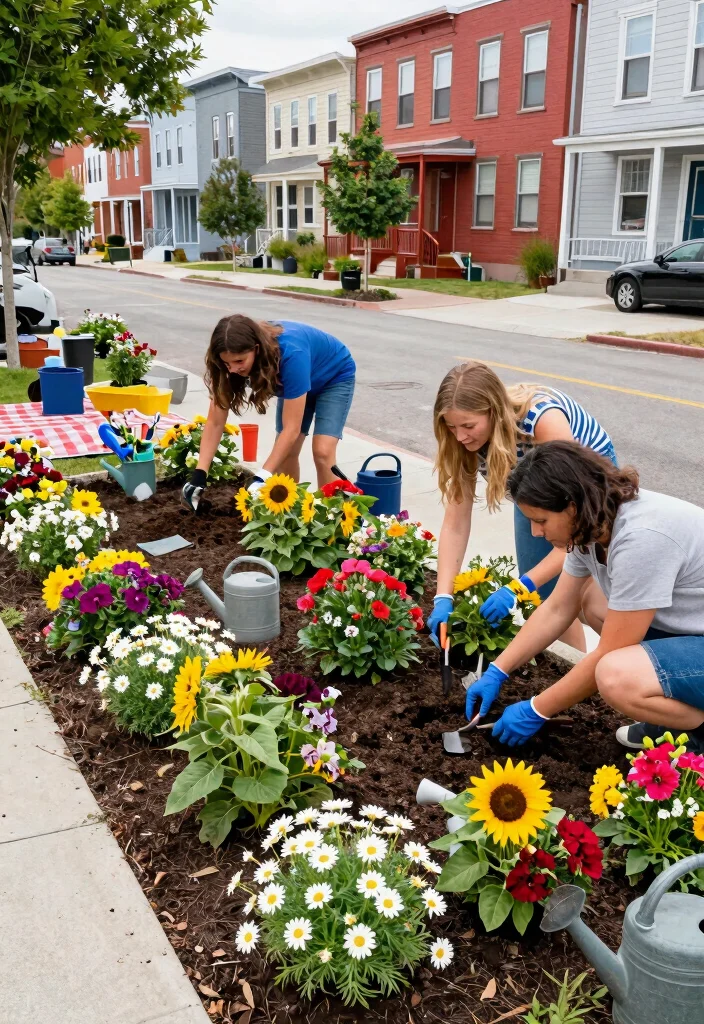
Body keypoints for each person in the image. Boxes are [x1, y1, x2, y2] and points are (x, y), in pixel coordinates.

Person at [465, 441, 704, 752]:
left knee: (616, 676)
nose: (536, 532)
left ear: (572, 506)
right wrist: (498, 669)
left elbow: (609, 652)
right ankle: (669, 711)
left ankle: (694, 731)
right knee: (592, 601)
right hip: (693, 627)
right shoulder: (590, 527)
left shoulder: (641, 539)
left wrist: (537, 708)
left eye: (541, 520)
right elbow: (558, 608)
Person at [427, 362, 616, 652]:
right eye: (451, 427)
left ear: (494, 411)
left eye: (468, 426)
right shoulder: (462, 443)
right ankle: (572, 674)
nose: (460, 436)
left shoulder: (542, 421)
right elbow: (455, 524)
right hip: (530, 487)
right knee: (542, 595)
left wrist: (518, 587)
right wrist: (443, 597)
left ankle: (623, 661)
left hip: (586, 486)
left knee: (586, 596)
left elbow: (575, 532)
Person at [181, 314, 356, 511]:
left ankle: (331, 515)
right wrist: (199, 475)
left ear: (256, 349)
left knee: (323, 451)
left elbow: (291, 428)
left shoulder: (291, 354)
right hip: (297, 382)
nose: (233, 370)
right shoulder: (229, 367)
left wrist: (262, 476)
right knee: (287, 453)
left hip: (333, 377)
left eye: (240, 361)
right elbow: (214, 421)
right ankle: (292, 512)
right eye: (227, 364)